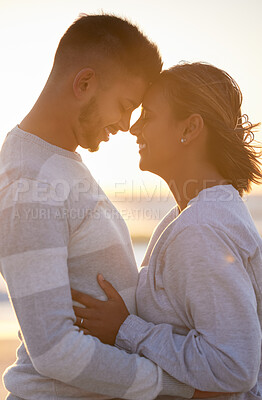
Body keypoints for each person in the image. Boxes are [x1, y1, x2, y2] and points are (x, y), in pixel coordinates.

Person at [0, 14, 199, 400]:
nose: (126, 124)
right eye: (125, 106)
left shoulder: (57, 163)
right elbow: (54, 350)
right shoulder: (30, 183)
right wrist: (180, 387)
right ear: (85, 83)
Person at [72, 62, 262, 400]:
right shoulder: (192, 214)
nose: (133, 128)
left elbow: (234, 366)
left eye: (148, 116)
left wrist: (126, 329)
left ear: (189, 129)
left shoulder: (200, 229)